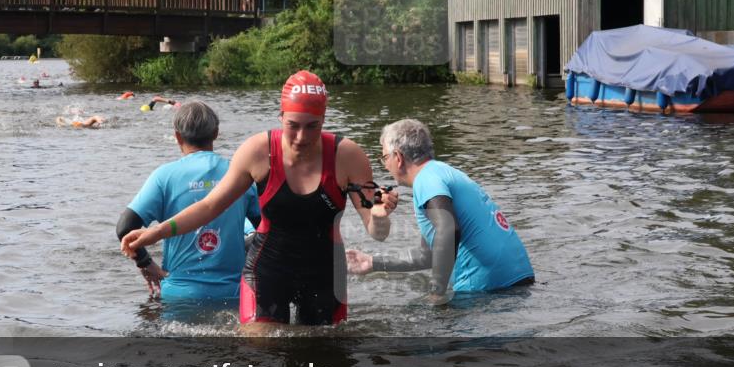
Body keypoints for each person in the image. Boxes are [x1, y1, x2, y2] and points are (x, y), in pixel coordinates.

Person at [122, 70, 399, 328]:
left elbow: (378, 233)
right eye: (293, 125)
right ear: (280, 117)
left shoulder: (348, 156)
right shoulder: (257, 151)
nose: (301, 137)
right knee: (260, 361)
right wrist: (157, 232)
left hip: (324, 271)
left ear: (324, 120)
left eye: (312, 126)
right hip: (267, 269)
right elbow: (209, 206)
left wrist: (379, 216)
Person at [346, 118, 534, 304]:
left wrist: (437, 292)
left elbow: (449, 229)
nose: (385, 166)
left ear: (398, 157)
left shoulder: (426, 180)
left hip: (488, 290)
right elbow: (426, 257)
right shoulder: (441, 173)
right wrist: (371, 263)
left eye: (385, 158)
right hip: (519, 283)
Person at [117, 101, 261, 301]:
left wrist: (146, 264)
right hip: (235, 293)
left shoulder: (163, 176)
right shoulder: (239, 174)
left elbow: (125, 227)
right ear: (216, 133)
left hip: (179, 294)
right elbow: (265, 231)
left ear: (177, 136)